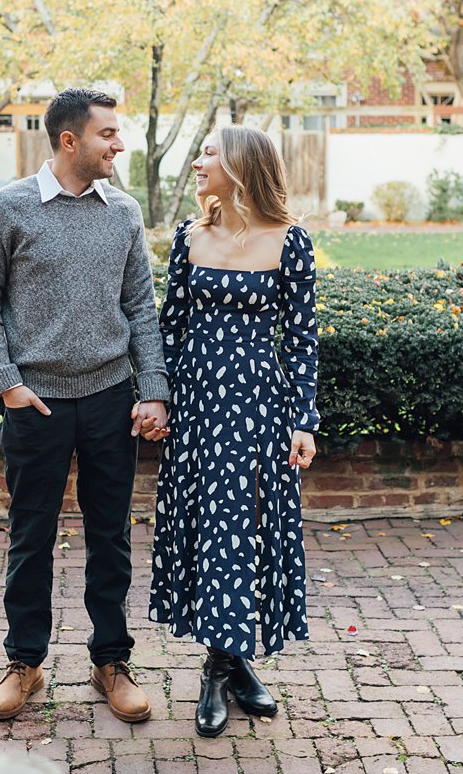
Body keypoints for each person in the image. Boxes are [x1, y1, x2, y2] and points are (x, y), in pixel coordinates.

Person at [0, 87, 171, 724]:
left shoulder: (124, 212)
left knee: (110, 538)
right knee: (31, 538)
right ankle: (25, 664)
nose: (120, 144)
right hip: (36, 405)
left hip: (110, 400)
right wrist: (8, 384)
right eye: (109, 134)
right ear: (70, 141)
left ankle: (111, 661)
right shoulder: (9, 209)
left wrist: (154, 388)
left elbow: (140, 307)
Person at [150, 124, 319, 738]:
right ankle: (231, 665)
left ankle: (221, 669)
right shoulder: (188, 238)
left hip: (257, 406)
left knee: (245, 527)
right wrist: (160, 396)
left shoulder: (290, 242)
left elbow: (301, 341)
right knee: (211, 527)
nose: (197, 162)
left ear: (242, 166)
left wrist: (304, 418)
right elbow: (169, 328)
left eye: (209, 154)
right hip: (198, 405)